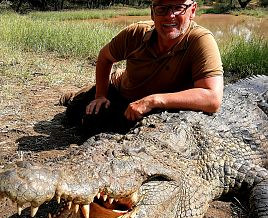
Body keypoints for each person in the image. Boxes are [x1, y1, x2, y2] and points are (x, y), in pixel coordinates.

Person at [61, 0, 223, 135]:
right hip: (121, 91)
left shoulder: (201, 40)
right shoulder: (136, 32)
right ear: (152, 12)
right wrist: (100, 95)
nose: (170, 15)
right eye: (162, 8)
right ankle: (78, 95)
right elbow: (105, 57)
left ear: (192, 10)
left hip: (159, 106)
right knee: (76, 115)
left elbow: (212, 98)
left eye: (178, 8)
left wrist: (153, 100)